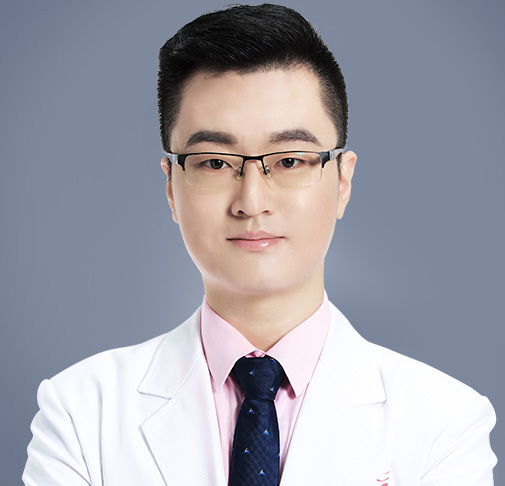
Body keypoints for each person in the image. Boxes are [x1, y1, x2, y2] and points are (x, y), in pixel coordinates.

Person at [23, 4, 497, 485]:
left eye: (290, 161)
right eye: (215, 162)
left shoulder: (444, 424)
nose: (252, 202)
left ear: (342, 181)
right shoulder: (81, 413)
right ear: (170, 186)